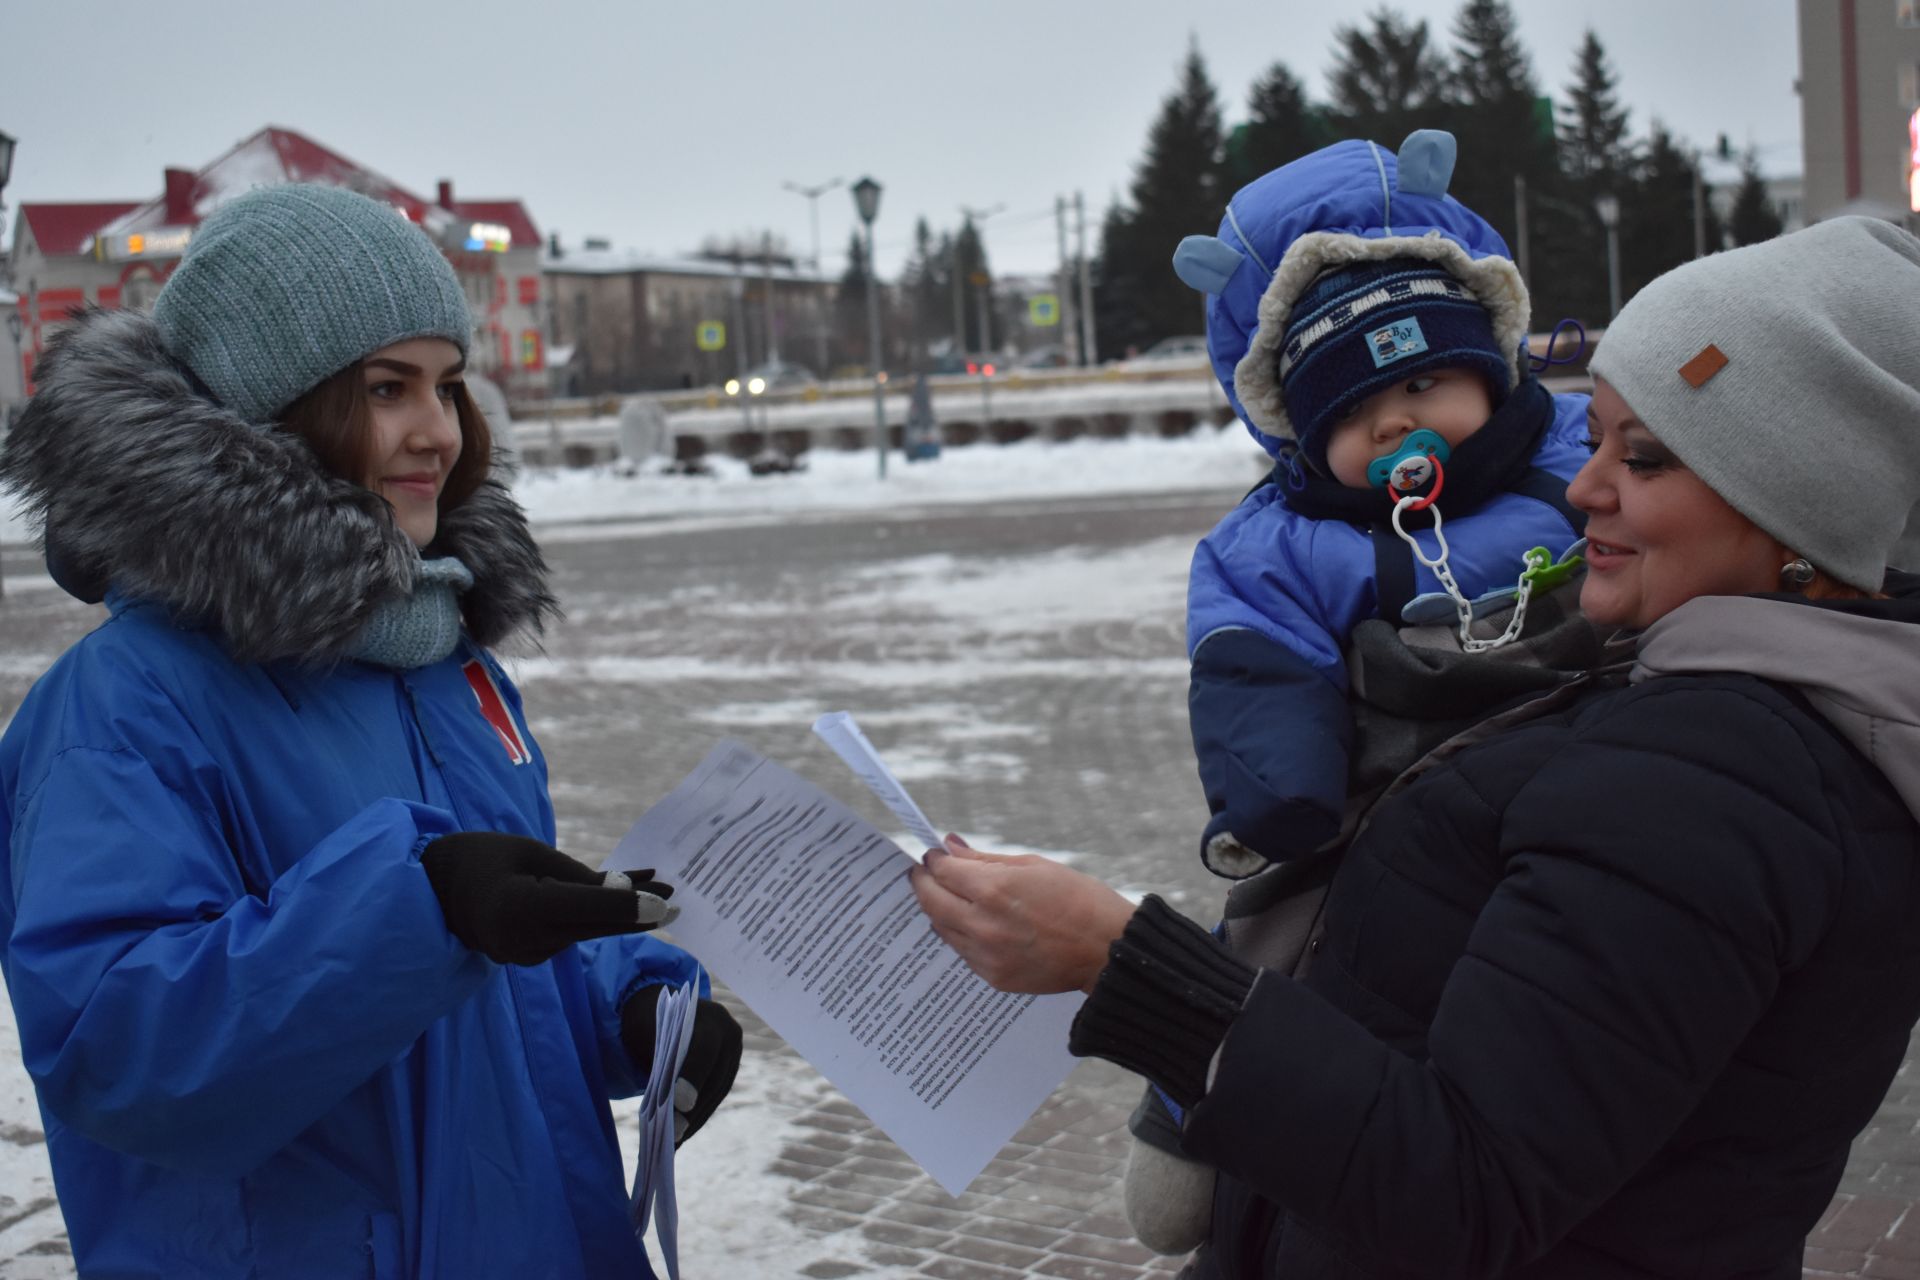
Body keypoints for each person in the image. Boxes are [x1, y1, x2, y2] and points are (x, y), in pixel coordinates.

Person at [913, 215, 1920, 1278]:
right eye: (1598, 438)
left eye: (1646, 457)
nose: (1583, 489)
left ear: (1800, 498)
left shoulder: (1719, 777)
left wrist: (1120, 963)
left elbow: (1461, 1189)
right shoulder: (1709, 697)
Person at [0, 184, 741, 1278]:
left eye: (446, 385)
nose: (436, 430)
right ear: (265, 415)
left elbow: (489, 948)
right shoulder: (124, 700)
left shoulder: (444, 659)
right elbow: (119, 1047)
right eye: (386, 388)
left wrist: (625, 997)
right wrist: (416, 906)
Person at [1172, 129, 1588, 879]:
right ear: (1303, 435)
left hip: (1609, 741)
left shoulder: (1580, 445)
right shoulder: (1283, 544)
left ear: (1491, 372)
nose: (1393, 424)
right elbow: (1258, 666)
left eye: (1423, 385)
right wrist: (1278, 791)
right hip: (1426, 812)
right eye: (1351, 411)